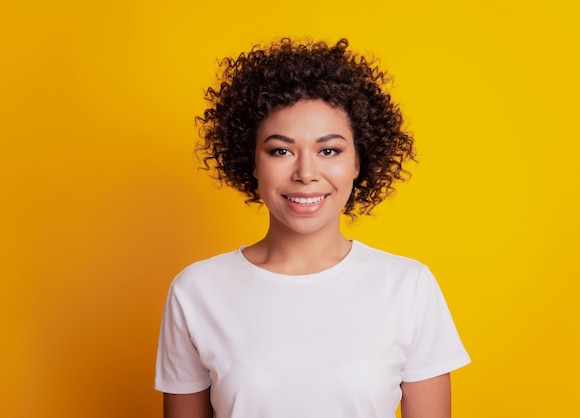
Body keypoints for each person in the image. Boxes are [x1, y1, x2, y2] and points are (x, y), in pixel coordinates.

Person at [155, 38, 470, 418]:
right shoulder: (197, 291)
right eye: (281, 151)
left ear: (358, 162)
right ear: (252, 162)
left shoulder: (407, 287)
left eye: (329, 150)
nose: (306, 173)